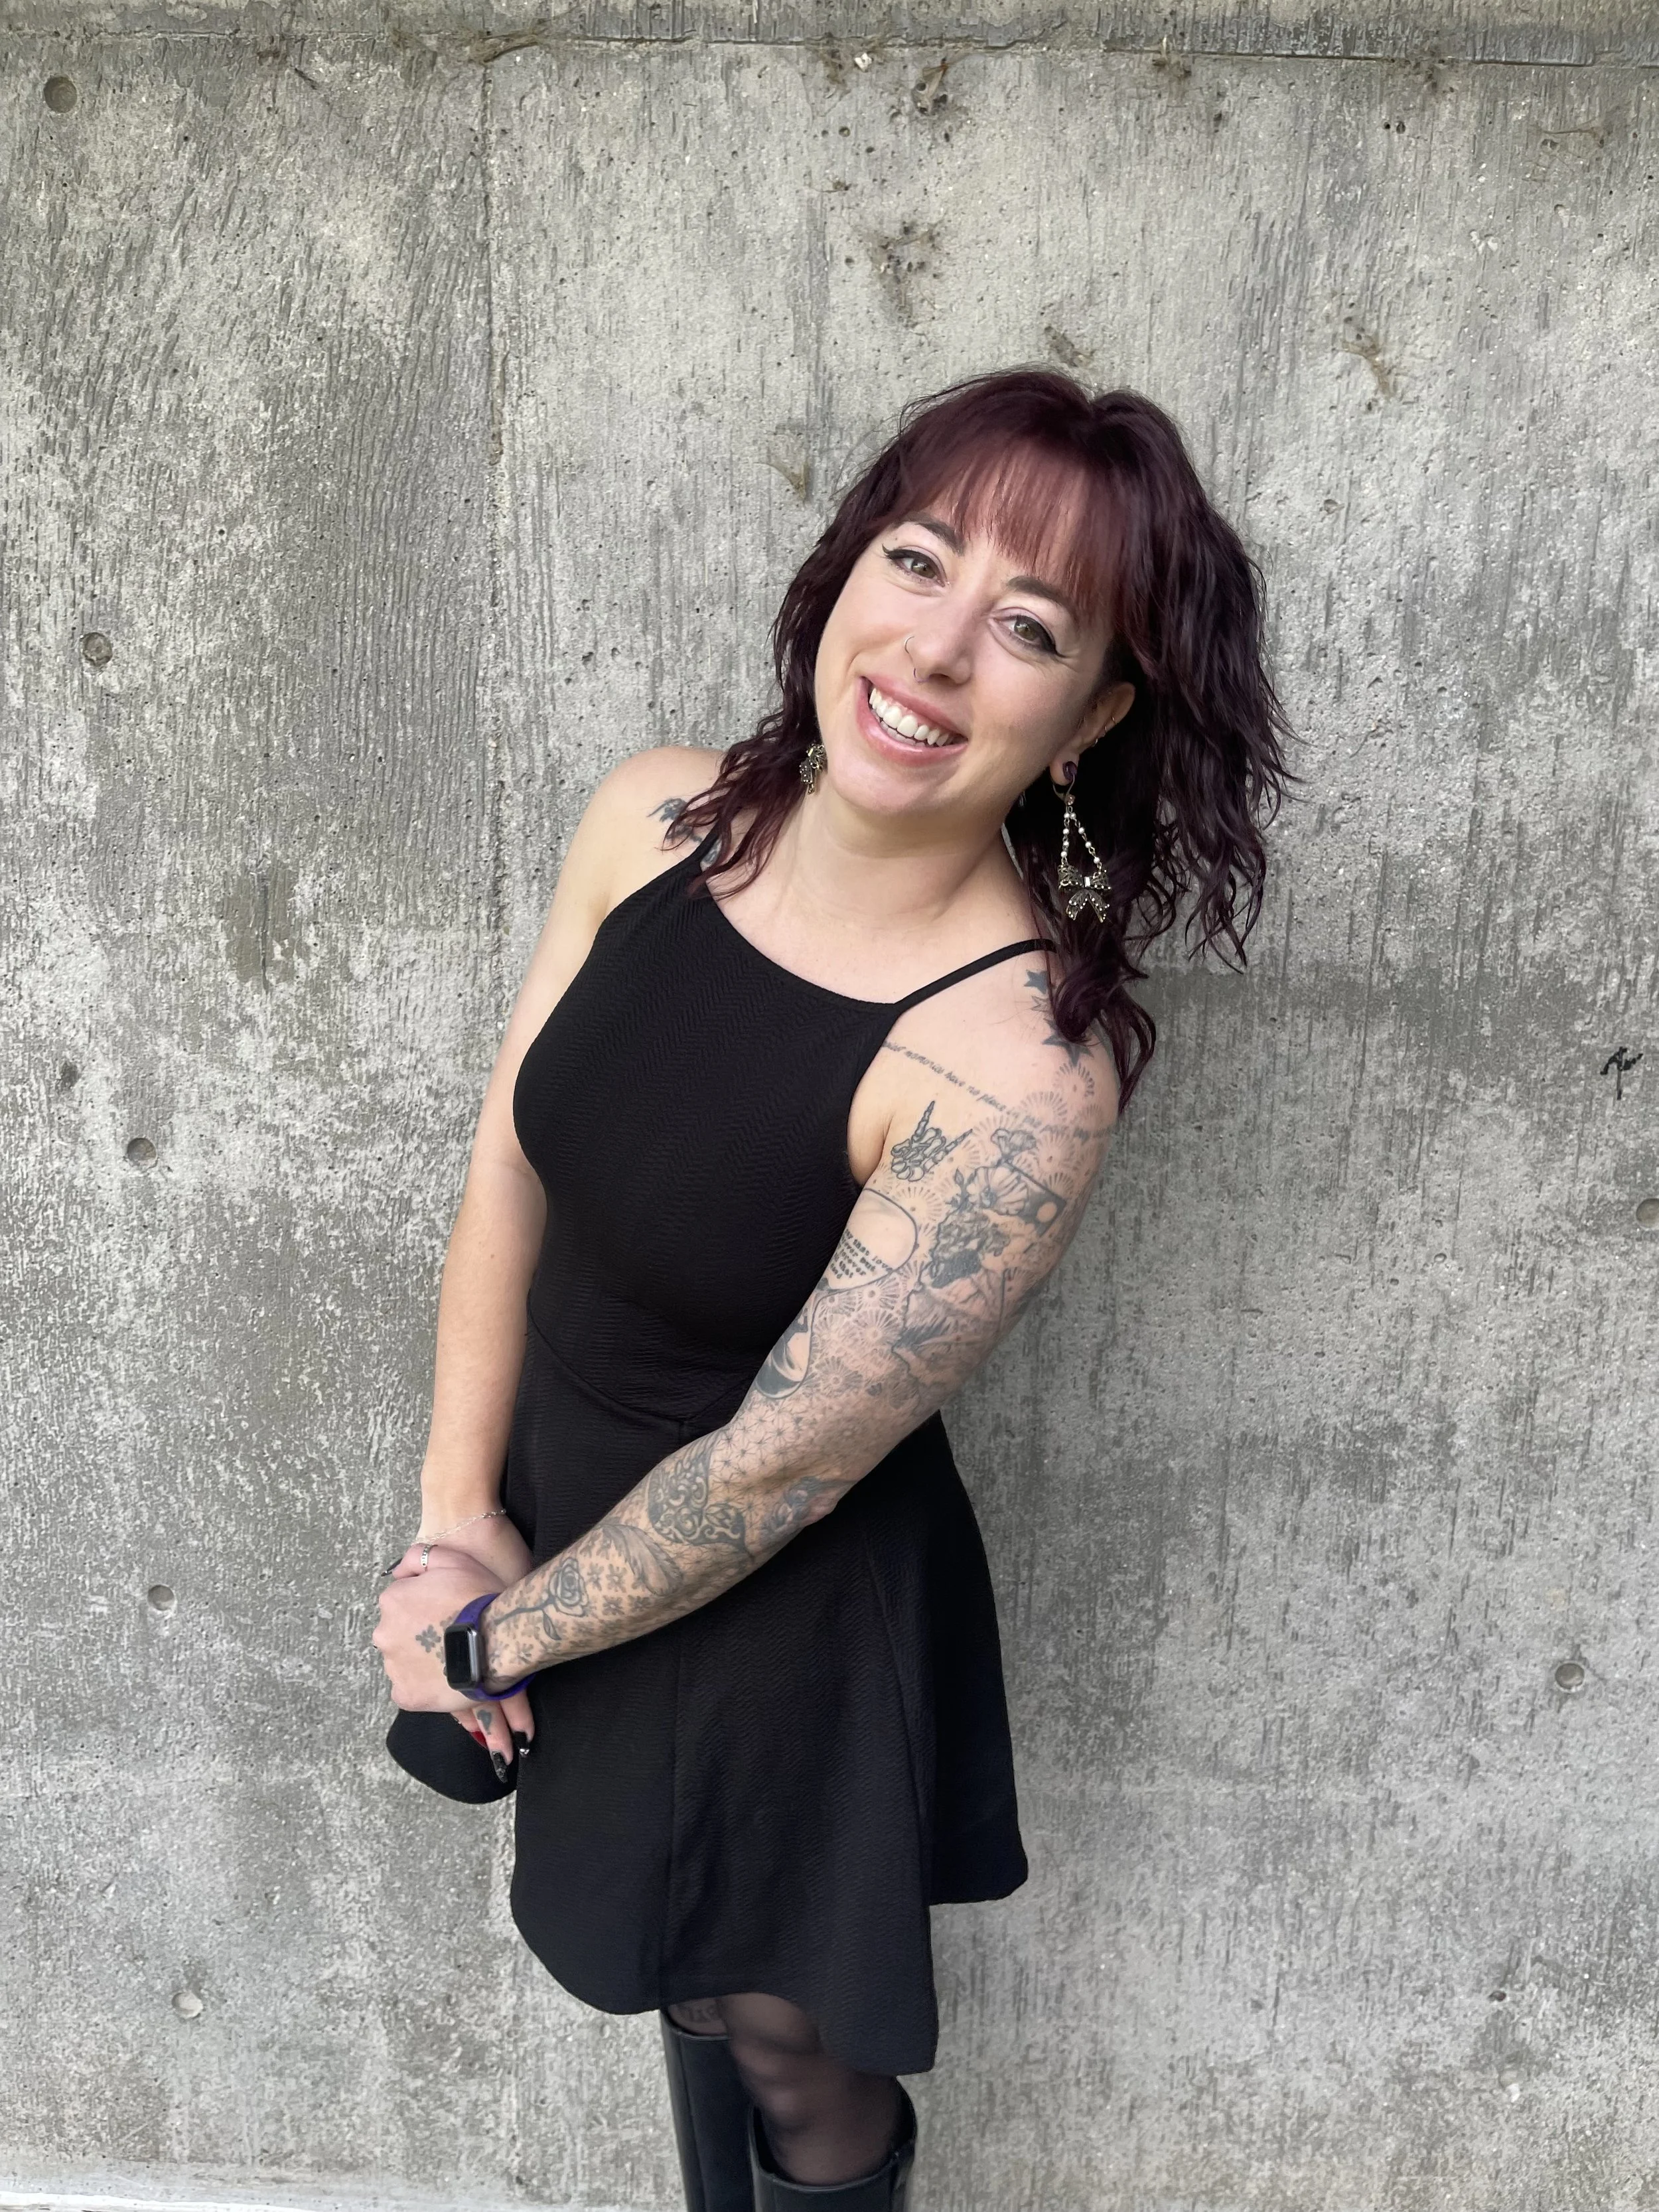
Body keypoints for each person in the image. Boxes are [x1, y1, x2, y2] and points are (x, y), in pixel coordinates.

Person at [372, 367, 1291, 2210]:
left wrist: (498, 1636)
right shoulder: (652, 819)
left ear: (1090, 712)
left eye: (1024, 625)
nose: (935, 650)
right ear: (841, 565)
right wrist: (454, 1519)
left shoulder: (1016, 1062)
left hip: (771, 1588)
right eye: (917, 557)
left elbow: (779, 1468)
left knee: (777, 2024)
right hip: (554, 1509)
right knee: (678, 1977)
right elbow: (510, 1161)